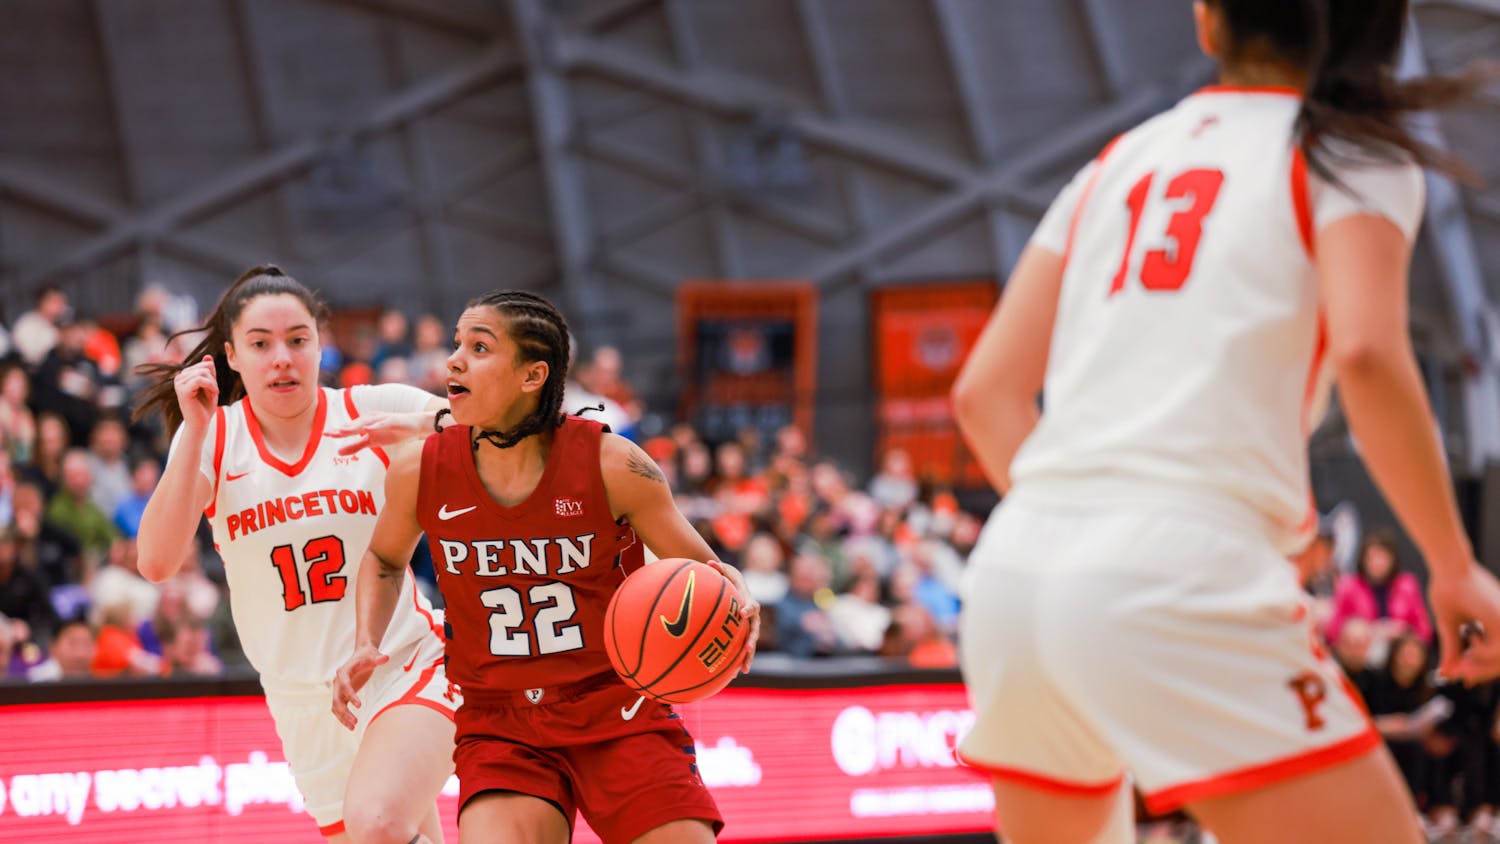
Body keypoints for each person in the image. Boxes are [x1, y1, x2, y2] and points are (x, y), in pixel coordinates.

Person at [949, 2, 1500, 842]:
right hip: (1177, 566)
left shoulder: (1118, 160)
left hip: (1014, 572)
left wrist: (1086, 535)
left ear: (1209, 22)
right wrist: (1455, 564)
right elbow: (1366, 353)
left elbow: (982, 396)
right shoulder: (1347, 147)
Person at [332, 290, 760, 844]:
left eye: (479, 347)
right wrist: (367, 638)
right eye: (457, 344)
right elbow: (385, 558)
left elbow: (705, 571)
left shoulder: (615, 464)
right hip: (500, 724)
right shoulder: (420, 469)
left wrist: (735, 594)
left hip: (617, 705)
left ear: (532, 375)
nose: (453, 359)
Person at [134, 264, 458, 844]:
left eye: (297, 340)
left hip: (400, 663)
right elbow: (156, 562)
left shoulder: (369, 408)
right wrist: (195, 433)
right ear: (231, 355)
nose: (281, 356)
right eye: (261, 344)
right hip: (301, 702)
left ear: (320, 344)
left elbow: (499, 421)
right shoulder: (214, 435)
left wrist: (420, 421)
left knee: (379, 824)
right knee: (391, 831)